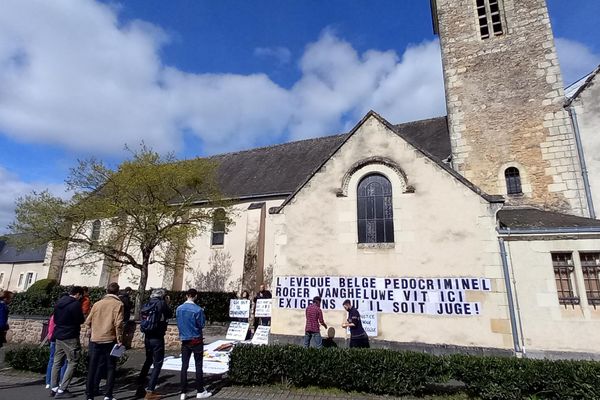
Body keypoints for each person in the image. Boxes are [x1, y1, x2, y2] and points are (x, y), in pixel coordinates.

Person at [85, 282, 124, 400]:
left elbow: (88, 321)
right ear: (117, 292)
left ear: (107, 291)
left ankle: (89, 394)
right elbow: (119, 324)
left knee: (93, 366)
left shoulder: (97, 304)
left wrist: (91, 331)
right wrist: (120, 340)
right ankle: (108, 394)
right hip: (109, 339)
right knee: (110, 367)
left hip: (96, 339)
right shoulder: (118, 304)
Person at [137, 288, 173, 400]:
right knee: (158, 363)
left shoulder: (148, 303)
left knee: (148, 361)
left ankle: (140, 387)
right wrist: (167, 303)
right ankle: (150, 391)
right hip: (157, 337)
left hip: (147, 336)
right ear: (162, 296)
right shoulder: (161, 303)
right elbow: (169, 314)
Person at [176, 288, 211, 399]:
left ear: (187, 295)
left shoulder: (179, 309)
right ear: (195, 296)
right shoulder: (198, 310)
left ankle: (183, 392)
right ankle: (200, 391)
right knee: (198, 365)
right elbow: (201, 324)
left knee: (184, 366)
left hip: (185, 340)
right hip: (196, 339)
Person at [51, 286, 85, 398]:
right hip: (70, 335)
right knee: (73, 361)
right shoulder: (75, 305)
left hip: (59, 333)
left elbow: (55, 319)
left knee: (57, 361)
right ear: (78, 294)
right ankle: (62, 389)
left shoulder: (59, 302)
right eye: (81, 295)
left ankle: (54, 386)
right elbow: (80, 320)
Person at [45, 314, 68, 389]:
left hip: (53, 339)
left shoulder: (53, 316)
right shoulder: (65, 316)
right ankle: (62, 381)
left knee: (52, 360)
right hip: (61, 339)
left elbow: (50, 329)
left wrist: (50, 337)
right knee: (64, 361)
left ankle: (48, 382)